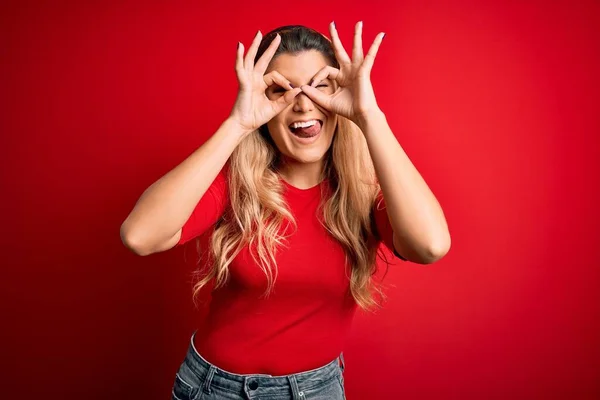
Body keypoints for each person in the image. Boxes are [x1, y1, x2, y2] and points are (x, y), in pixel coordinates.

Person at [121, 21, 450, 400]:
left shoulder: (363, 194)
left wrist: (368, 116)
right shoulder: (236, 184)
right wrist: (237, 124)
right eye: (282, 89)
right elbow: (139, 236)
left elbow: (431, 246)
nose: (304, 103)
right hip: (214, 390)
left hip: (318, 390)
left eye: (319, 86)